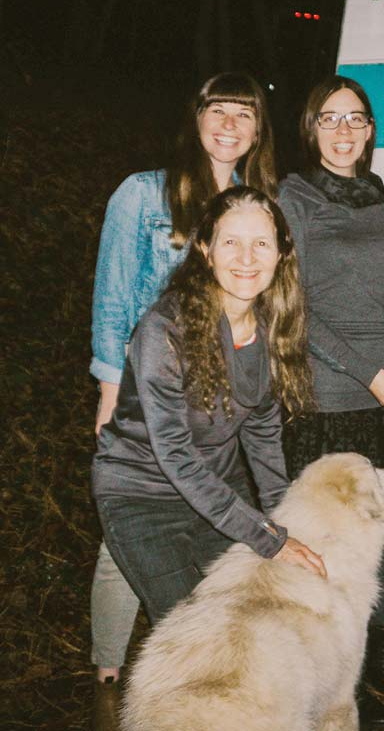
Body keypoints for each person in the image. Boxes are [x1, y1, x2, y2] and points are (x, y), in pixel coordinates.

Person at [87, 73, 276, 730]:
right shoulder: (144, 194)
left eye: (243, 114)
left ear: (258, 129)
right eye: (217, 110)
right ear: (196, 118)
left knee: (198, 519)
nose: (229, 124)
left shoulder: (258, 202)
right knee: (128, 526)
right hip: (151, 393)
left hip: (223, 401)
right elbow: (113, 295)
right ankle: (110, 670)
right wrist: (110, 390)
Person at [278, 77, 384, 722]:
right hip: (333, 394)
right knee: (335, 546)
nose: (344, 130)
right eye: (330, 119)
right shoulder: (293, 198)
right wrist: (371, 374)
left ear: (373, 128)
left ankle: (382, 658)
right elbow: (291, 307)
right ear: (311, 128)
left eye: (356, 119)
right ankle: (334, 679)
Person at [92, 186, 322, 620]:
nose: (246, 257)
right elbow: (174, 454)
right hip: (141, 492)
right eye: (230, 242)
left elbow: (262, 432)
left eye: (261, 243)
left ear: (281, 253)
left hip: (218, 486)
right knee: (191, 627)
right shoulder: (165, 328)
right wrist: (267, 537)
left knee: (249, 612)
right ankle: (113, 676)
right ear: (205, 249)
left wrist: (286, 523)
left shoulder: (273, 325)